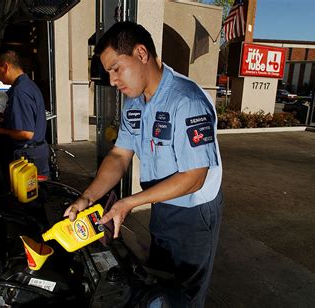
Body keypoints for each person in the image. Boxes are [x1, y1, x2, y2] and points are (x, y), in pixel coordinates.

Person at [64, 22, 223, 307]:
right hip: (162, 202)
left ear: (141, 53)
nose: (112, 81)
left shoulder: (187, 100)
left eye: (115, 69)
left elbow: (195, 177)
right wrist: (87, 197)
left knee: (183, 298)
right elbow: (119, 156)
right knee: (157, 285)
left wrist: (128, 203)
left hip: (194, 213)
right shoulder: (134, 104)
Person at [0, 50, 50, 178]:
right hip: (37, 151)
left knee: (27, 195)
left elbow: (26, 133)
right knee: (39, 192)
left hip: (28, 155)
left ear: (5, 66)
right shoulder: (28, 85)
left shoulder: (20, 91)